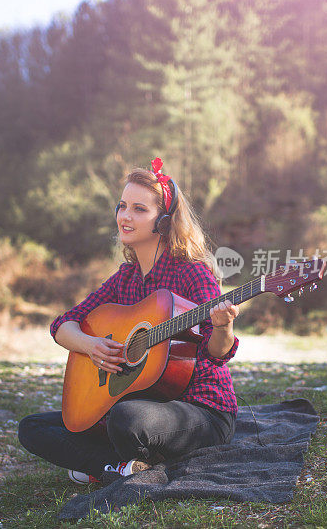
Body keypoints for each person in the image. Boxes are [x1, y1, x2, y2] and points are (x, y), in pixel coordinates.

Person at [18, 158, 240, 485]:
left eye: (139, 209)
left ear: (164, 222)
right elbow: (64, 324)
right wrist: (91, 346)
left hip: (200, 412)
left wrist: (223, 327)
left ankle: (104, 465)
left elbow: (217, 354)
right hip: (146, 404)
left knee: (125, 418)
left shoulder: (193, 273)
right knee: (32, 427)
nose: (125, 216)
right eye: (122, 206)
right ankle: (119, 468)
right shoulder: (126, 278)